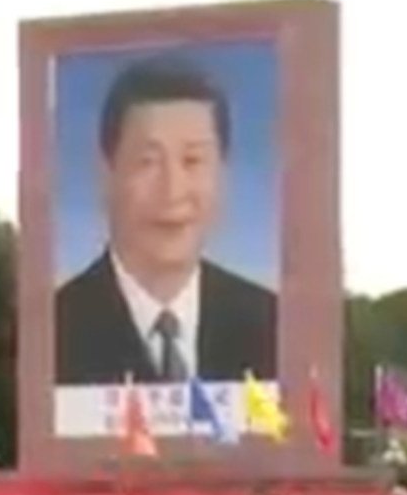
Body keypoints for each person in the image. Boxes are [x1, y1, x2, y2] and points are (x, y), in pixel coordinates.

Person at [48, 56, 278, 386]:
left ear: (222, 174)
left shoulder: (270, 322)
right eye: (148, 162)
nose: (172, 191)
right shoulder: (56, 327)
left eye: (193, 160)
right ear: (105, 176)